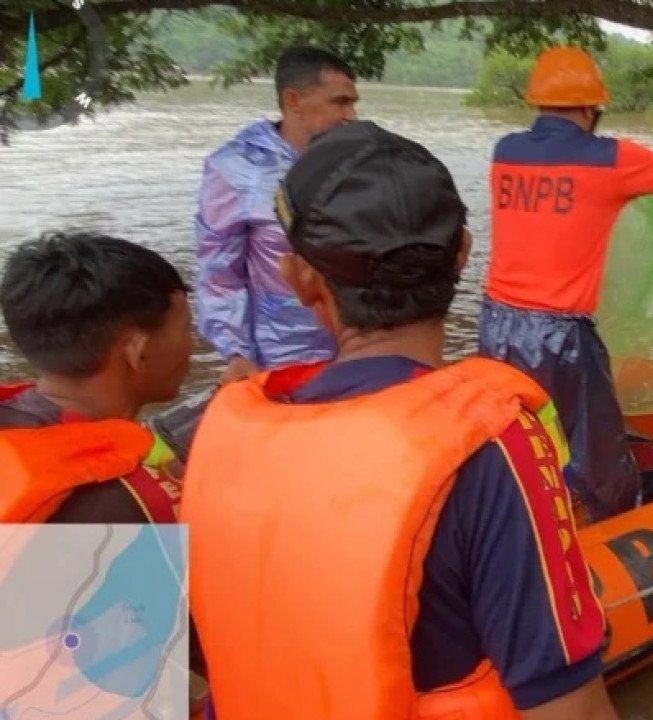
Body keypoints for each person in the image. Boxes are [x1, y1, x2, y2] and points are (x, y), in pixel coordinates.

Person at [182, 121, 619, 720]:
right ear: (463, 251)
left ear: (299, 278)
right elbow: (571, 712)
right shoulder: (490, 449)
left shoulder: (216, 434)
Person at [480, 46, 653, 522]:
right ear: (592, 109)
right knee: (597, 453)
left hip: (495, 323)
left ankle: (522, 512)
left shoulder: (505, 153)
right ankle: (606, 524)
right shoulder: (608, 157)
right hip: (558, 335)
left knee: (522, 433)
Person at [0, 232, 192, 523]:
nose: (191, 344)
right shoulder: (126, 502)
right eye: (186, 328)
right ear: (137, 352)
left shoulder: (12, 418)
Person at [195, 45, 359, 383]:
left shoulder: (359, 160)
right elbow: (219, 273)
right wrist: (237, 353)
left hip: (358, 351)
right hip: (280, 359)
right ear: (293, 100)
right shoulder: (236, 169)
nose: (352, 116)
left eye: (353, 103)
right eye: (340, 102)